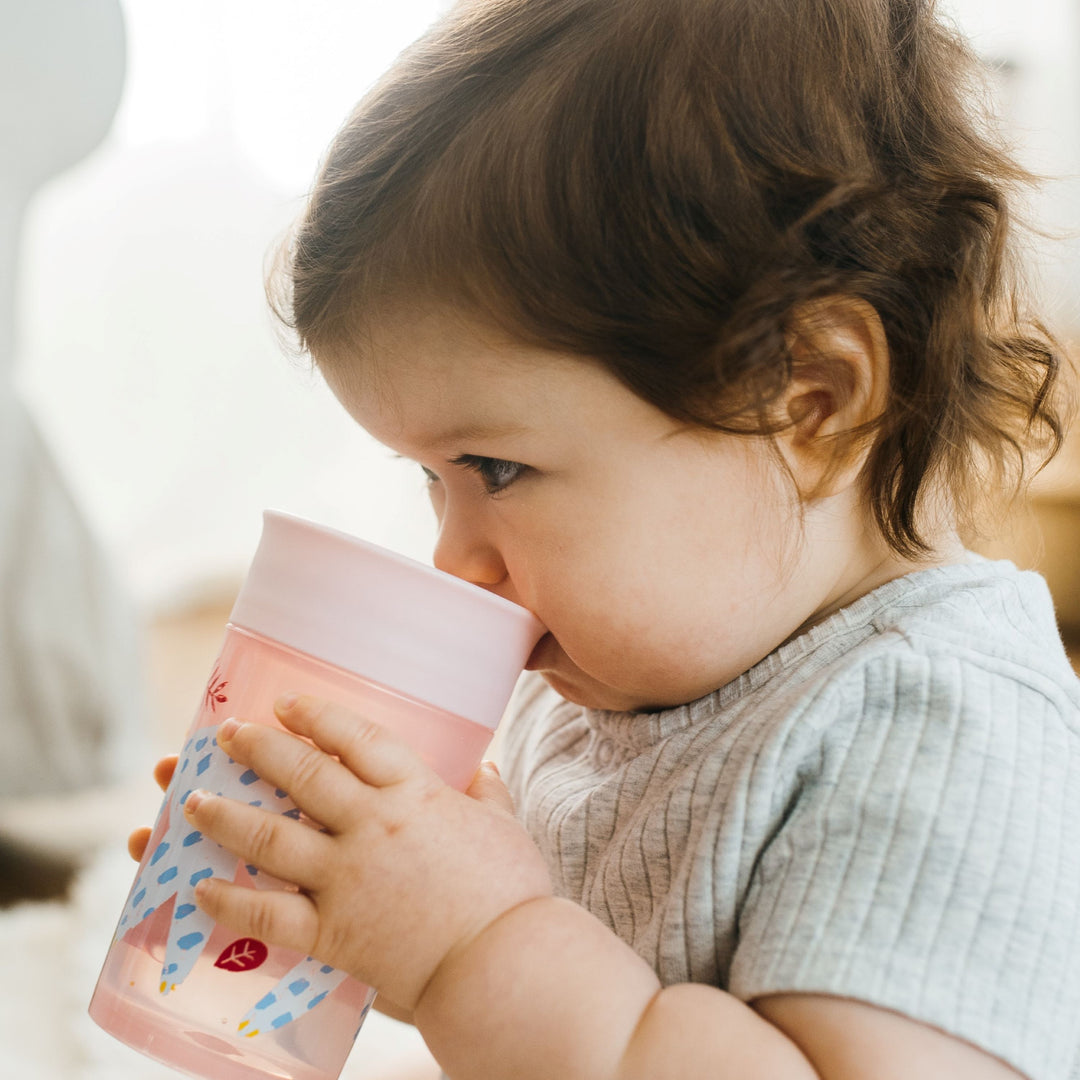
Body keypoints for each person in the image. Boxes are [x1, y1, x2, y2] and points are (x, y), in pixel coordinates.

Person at [130, 1, 1080, 1076]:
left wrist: (475, 945)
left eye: (497, 471)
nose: (457, 560)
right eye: (430, 481)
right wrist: (377, 912)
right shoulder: (616, 673)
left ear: (808, 406)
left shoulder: (937, 722)